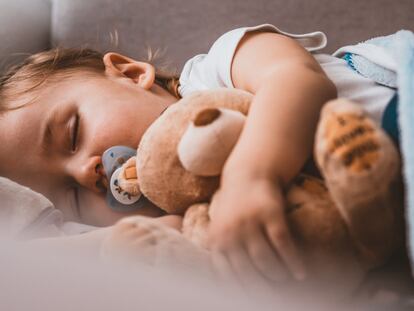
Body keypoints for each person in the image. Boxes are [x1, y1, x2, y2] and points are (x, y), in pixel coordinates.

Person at [0, 24, 398, 283]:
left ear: (130, 73)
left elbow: (297, 81)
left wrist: (253, 174)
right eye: (70, 195)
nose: (86, 172)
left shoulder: (215, 71)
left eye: (72, 135)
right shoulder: (194, 224)